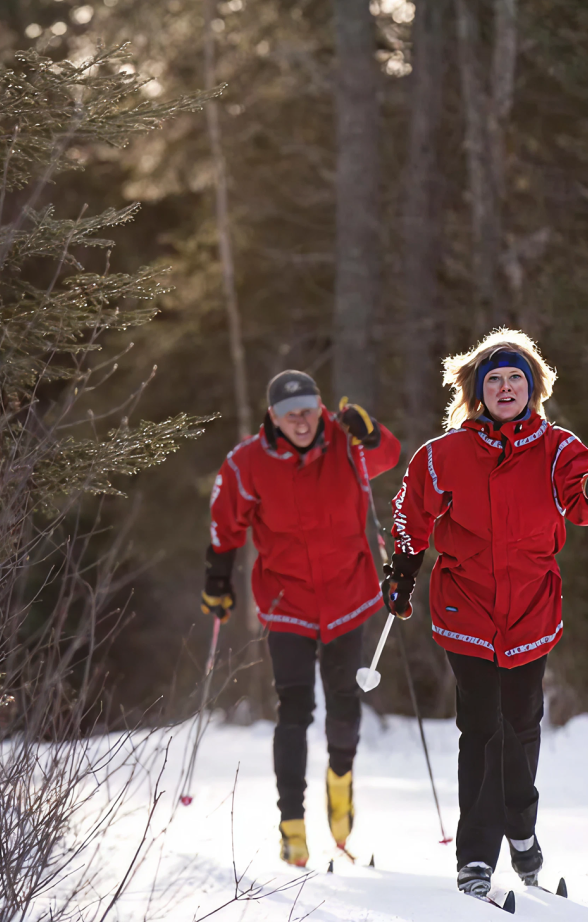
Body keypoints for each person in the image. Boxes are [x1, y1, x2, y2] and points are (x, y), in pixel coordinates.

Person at [382, 329, 588, 898]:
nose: (506, 387)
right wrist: (402, 571)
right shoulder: (442, 455)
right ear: (477, 392)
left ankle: (522, 834)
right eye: (494, 380)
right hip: (465, 603)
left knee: (522, 725)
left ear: (533, 387)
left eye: (516, 377)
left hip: (530, 608)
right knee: (483, 729)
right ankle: (476, 859)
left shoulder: (559, 447)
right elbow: (410, 511)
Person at [203, 370, 401, 867]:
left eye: (309, 408)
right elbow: (225, 524)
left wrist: (370, 430)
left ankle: (341, 781)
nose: (302, 419)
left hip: (348, 595)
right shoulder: (246, 463)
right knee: (294, 708)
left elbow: (389, 454)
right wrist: (217, 580)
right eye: (290, 412)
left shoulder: (346, 440)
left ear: (321, 407)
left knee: (344, 703)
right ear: (272, 416)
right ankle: (291, 823)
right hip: (286, 600)